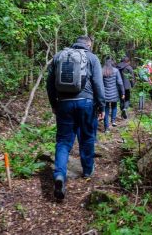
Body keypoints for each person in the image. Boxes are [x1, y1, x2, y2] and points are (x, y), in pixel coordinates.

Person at [46, 36, 105, 200]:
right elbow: (98, 84)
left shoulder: (59, 56)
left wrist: (54, 105)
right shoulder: (92, 58)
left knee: (63, 142)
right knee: (86, 137)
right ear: (88, 45)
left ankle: (59, 175)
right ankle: (87, 170)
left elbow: (49, 84)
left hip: (64, 103)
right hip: (86, 103)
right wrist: (102, 106)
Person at [102, 57, 124, 132]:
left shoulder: (102, 70)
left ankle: (106, 128)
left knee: (106, 110)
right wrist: (123, 92)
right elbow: (120, 82)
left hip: (105, 94)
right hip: (114, 93)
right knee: (114, 106)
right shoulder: (116, 71)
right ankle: (113, 120)